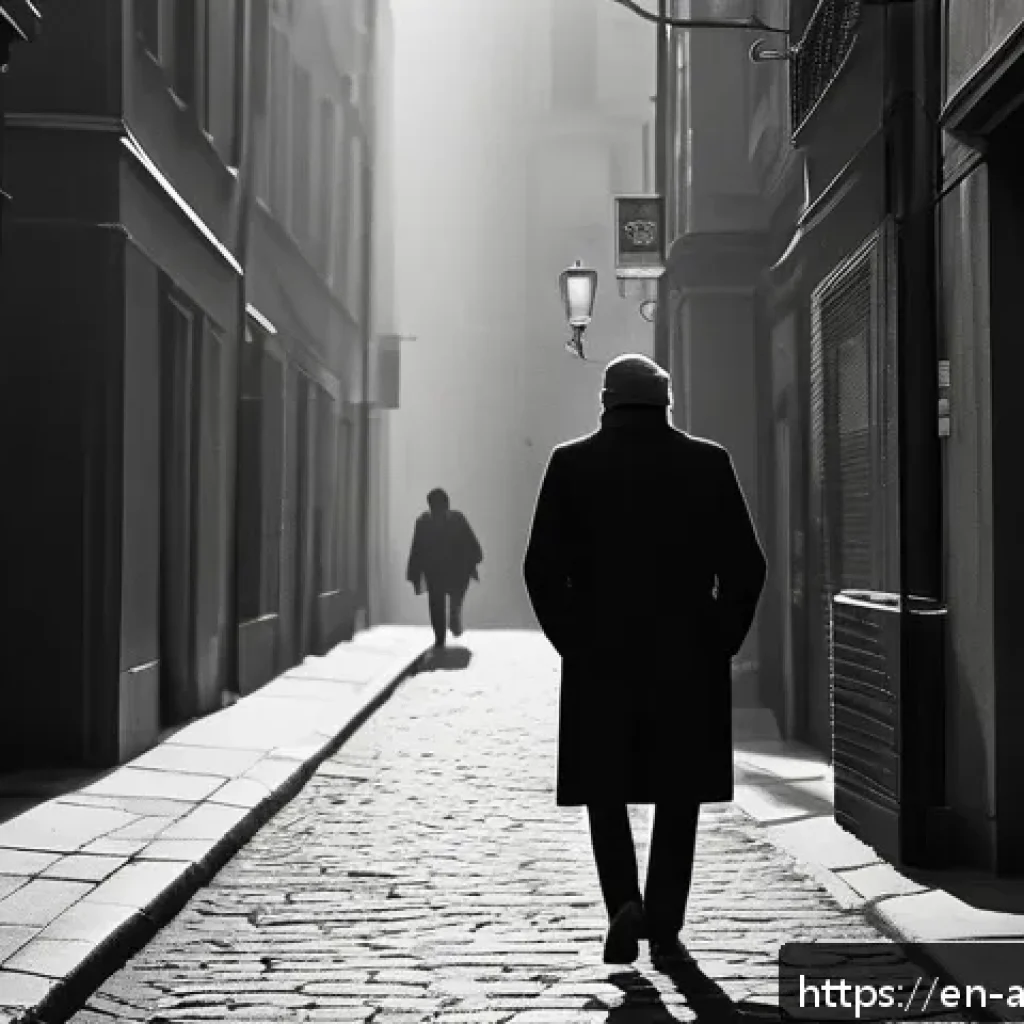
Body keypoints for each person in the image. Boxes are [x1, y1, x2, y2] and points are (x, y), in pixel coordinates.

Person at [523, 353, 766, 970]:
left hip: (600, 655)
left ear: (606, 402)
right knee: (677, 791)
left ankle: (622, 906)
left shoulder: (571, 463)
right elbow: (747, 566)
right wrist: (720, 639)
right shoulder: (707, 463)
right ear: (665, 402)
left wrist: (572, 641)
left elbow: (542, 570)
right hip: (686, 655)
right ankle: (664, 919)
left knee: (605, 788)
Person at [407, 488, 483, 648]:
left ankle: (454, 613)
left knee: (451, 595)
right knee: (436, 603)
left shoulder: (456, 519)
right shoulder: (424, 522)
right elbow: (417, 549)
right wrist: (414, 572)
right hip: (436, 570)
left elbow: (470, 542)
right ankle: (440, 636)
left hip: (455, 568)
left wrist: (473, 559)